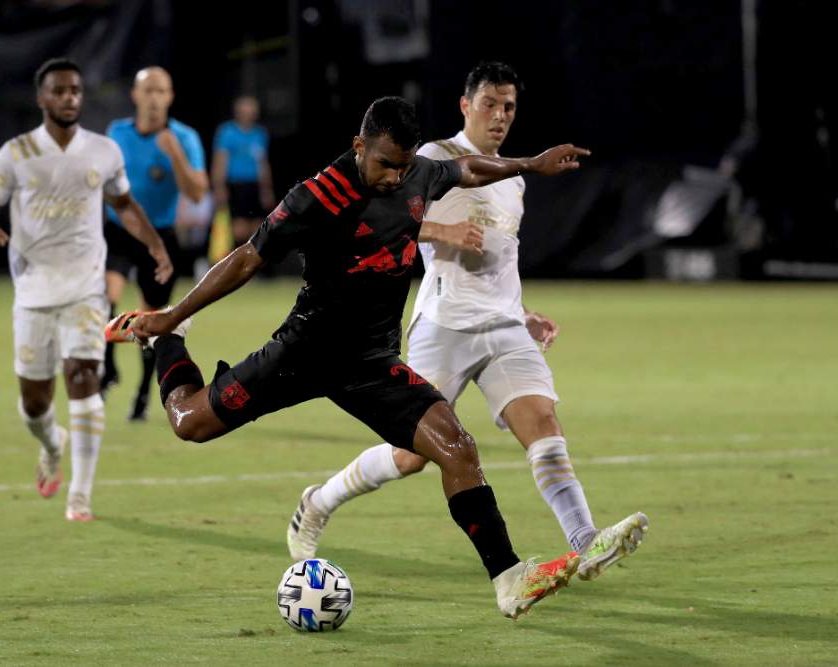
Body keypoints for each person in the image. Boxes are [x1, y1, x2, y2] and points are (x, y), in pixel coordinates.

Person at [107, 96, 591, 619]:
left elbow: (467, 167)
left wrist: (529, 163)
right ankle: (166, 341)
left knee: (457, 447)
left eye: (403, 166)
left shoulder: (416, 174)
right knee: (189, 422)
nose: (394, 177)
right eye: (385, 164)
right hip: (304, 351)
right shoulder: (316, 196)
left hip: (370, 362)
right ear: (359, 146)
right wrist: (173, 314)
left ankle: (509, 578)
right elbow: (247, 258)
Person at [285, 62, 649, 582]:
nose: (500, 116)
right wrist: (438, 230)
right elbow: (371, 220)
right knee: (411, 456)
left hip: (502, 327)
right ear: (465, 105)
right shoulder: (432, 157)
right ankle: (320, 500)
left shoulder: (513, 184)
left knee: (543, 425)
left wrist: (522, 313)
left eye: (509, 107)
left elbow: (502, 262)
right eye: (490, 104)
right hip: (444, 325)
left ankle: (585, 542)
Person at [0, 58, 172, 521]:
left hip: (86, 289)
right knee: (35, 404)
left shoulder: (102, 151)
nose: (69, 98)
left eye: (76, 91)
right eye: (59, 91)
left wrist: (156, 246)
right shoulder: (16, 153)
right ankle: (52, 442)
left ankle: (80, 494)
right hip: (34, 293)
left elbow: (125, 205)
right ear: (43, 98)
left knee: (83, 378)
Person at [101, 66, 208, 421]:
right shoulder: (117, 133)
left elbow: (196, 193)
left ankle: (143, 395)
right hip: (118, 230)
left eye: (161, 91)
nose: (154, 99)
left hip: (160, 237)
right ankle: (108, 367)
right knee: (104, 298)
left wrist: (174, 153)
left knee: (150, 324)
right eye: (148, 91)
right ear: (135, 96)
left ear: (170, 97)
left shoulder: (184, 138)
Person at [210, 95, 274, 248]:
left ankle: (254, 266)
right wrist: (219, 187)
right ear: (237, 112)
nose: (248, 114)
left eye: (251, 110)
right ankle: (237, 264)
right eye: (244, 110)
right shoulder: (227, 132)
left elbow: (263, 164)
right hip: (236, 185)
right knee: (239, 229)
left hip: (255, 185)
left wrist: (267, 190)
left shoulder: (260, 134)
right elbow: (220, 161)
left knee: (258, 227)